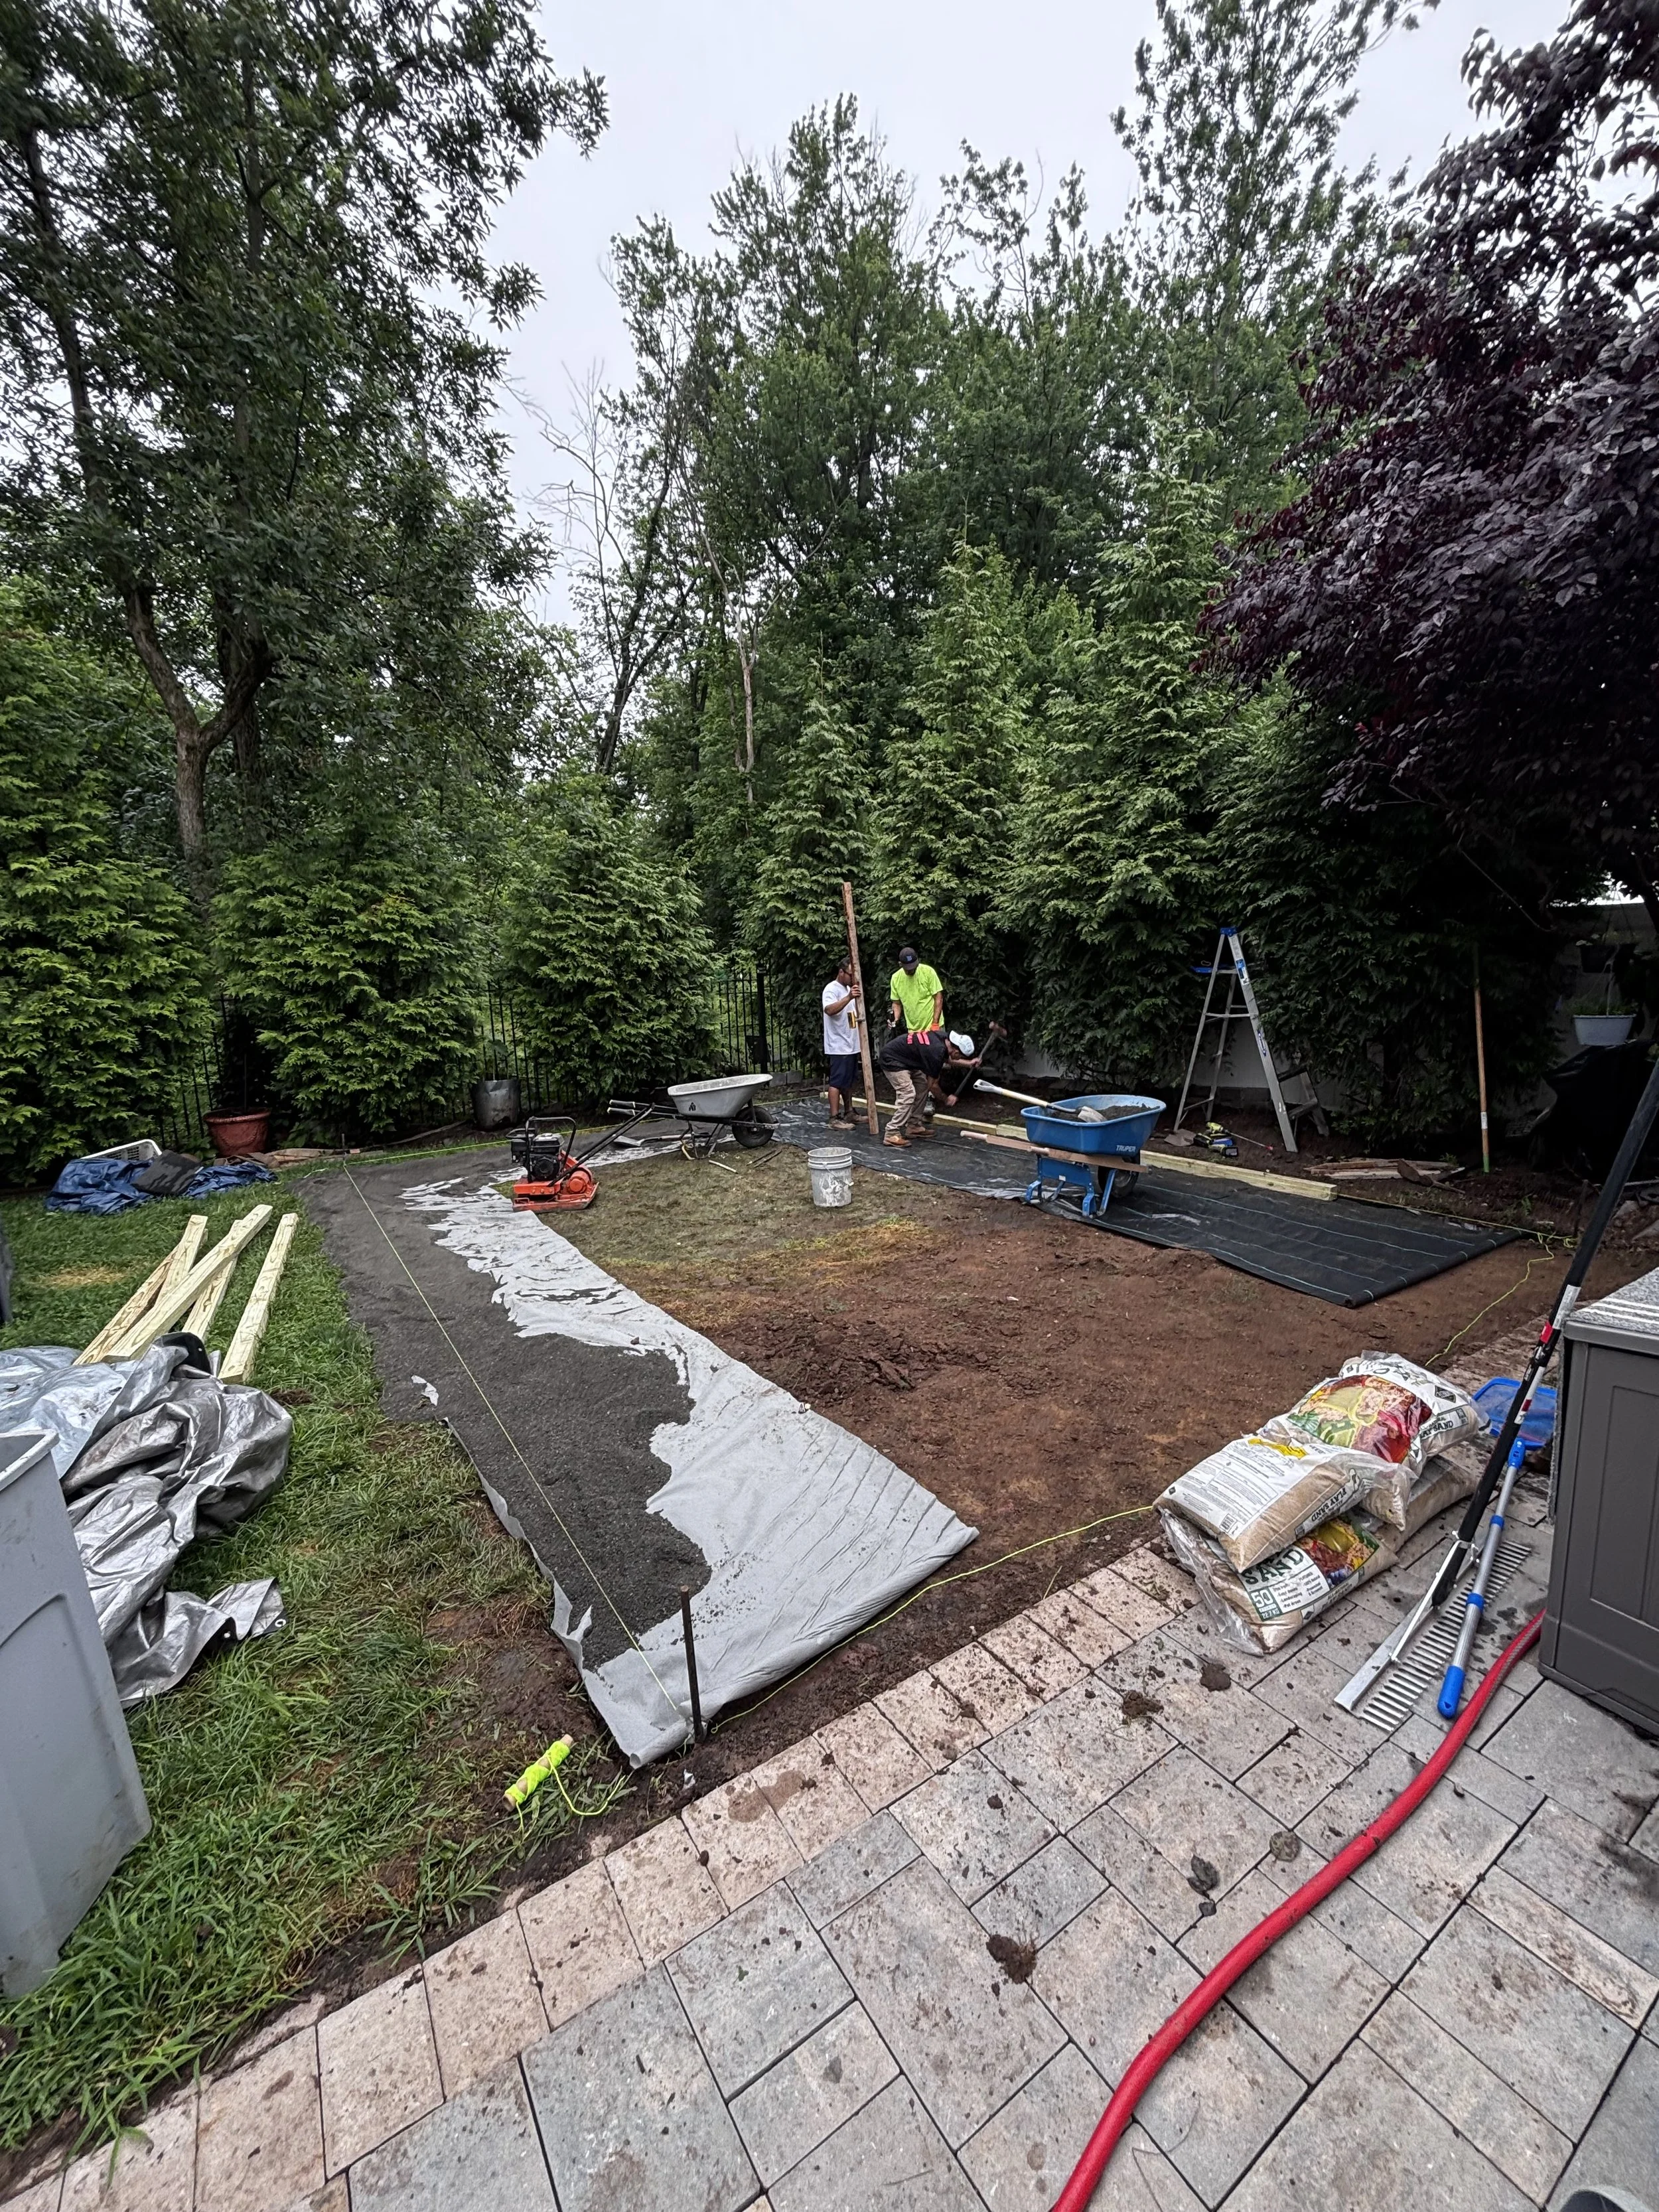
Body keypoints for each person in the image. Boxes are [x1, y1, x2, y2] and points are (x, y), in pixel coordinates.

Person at [877, 1027, 981, 1147]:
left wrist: (969, 1063)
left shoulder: (943, 1038)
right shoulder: (936, 1051)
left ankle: (914, 1126)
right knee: (908, 1094)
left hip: (907, 1060)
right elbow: (933, 1085)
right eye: (961, 1056)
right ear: (956, 1052)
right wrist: (946, 1099)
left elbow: (947, 1059)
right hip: (892, 1060)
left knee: (922, 1085)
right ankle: (891, 1132)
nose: (960, 1058)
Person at [822, 956, 862, 1130]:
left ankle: (849, 1112)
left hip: (851, 1044)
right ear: (841, 972)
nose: (853, 978)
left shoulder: (848, 989)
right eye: (851, 975)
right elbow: (829, 1010)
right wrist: (848, 997)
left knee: (849, 1081)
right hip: (839, 1045)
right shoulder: (831, 989)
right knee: (837, 1082)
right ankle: (834, 1118)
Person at [889, 946, 943, 1037]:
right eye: (908, 969)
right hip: (913, 1031)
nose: (911, 970)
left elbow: (938, 998)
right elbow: (896, 1004)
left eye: (914, 967)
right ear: (900, 964)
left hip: (933, 1027)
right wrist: (895, 1020)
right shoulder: (895, 978)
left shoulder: (928, 972)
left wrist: (935, 1024)